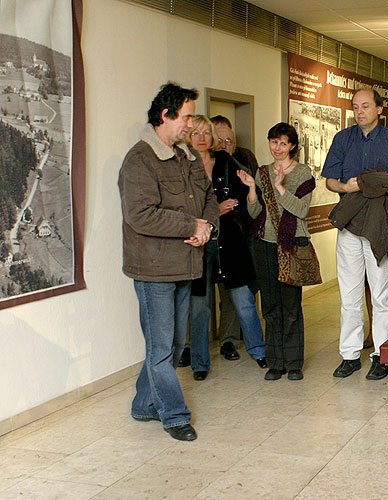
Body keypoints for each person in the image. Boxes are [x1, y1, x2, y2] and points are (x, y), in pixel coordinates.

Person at [118, 82, 218, 442]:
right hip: (153, 270)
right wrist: (188, 225)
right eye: (188, 117)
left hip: (184, 264)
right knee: (162, 348)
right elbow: (140, 215)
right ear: (166, 115)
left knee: (173, 346)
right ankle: (174, 415)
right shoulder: (139, 159)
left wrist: (206, 226)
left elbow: (207, 196)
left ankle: (143, 404)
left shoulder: (185, 157)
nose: (191, 125)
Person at [322, 88, 388, 381]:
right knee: (349, 294)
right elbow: (330, 181)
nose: (360, 112)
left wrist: (375, 185)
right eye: (356, 107)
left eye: (366, 106)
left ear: (379, 110)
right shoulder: (342, 139)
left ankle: (382, 355)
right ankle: (349, 354)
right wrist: (346, 188)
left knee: (382, 295)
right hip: (349, 223)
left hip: (382, 224)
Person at [186, 115, 266, 381]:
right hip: (198, 245)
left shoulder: (225, 161)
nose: (201, 138)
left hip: (230, 243)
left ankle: (258, 350)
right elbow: (180, 209)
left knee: (243, 300)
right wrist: (214, 212)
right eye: (195, 133)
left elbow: (244, 200)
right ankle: (199, 362)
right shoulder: (182, 166)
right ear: (189, 137)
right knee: (199, 307)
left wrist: (251, 189)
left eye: (205, 133)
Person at [239, 122, 314, 381]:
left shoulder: (303, 173)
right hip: (265, 244)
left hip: (292, 244)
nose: (277, 148)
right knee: (270, 305)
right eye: (273, 142)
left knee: (291, 306)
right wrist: (251, 189)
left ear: (292, 146)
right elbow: (255, 213)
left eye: (283, 143)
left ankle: (293, 363)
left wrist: (281, 186)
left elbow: (301, 211)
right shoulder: (262, 173)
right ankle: (275, 362)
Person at [208, 115, 260, 361]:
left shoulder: (244, 158)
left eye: (229, 140)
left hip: (243, 233)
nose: (225, 145)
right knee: (205, 293)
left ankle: (234, 339)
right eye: (220, 140)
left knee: (241, 290)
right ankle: (198, 346)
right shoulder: (202, 165)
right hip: (211, 235)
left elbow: (256, 190)